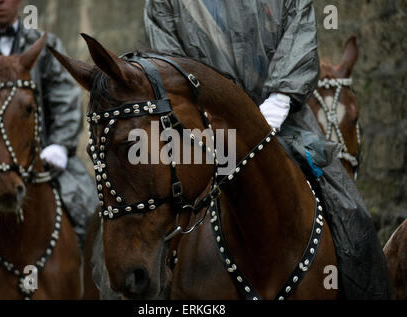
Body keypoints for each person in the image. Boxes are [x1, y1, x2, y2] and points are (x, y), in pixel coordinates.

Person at [144, 0, 392, 299]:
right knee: (143, 225)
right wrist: (200, 113)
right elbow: (167, 57)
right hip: (204, 126)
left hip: (284, 121)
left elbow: (298, 33)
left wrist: (278, 102)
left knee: (352, 218)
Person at [0, 0, 97, 262]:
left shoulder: (47, 45)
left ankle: (90, 283)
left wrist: (59, 146)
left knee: (90, 208)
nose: (0, 1)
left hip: (43, 158)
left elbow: (65, 98)